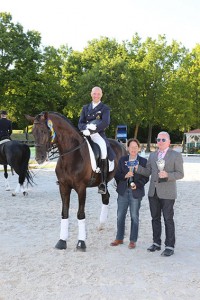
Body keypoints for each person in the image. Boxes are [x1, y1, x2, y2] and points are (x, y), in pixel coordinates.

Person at [135, 131, 184, 256]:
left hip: (168, 193)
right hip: (153, 192)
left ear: (169, 142)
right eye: (158, 140)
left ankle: (169, 246)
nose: (160, 142)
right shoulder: (152, 155)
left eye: (163, 140)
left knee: (168, 219)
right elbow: (147, 172)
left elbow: (180, 174)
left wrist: (168, 175)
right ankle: (156, 243)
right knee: (155, 219)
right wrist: (137, 168)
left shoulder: (175, 155)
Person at [110, 138, 149, 249]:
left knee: (134, 216)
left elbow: (146, 178)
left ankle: (132, 240)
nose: (133, 149)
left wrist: (138, 184)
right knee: (120, 216)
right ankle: (119, 238)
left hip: (136, 192)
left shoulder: (143, 161)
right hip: (123, 191)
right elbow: (116, 175)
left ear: (138, 148)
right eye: (131, 147)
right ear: (127, 148)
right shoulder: (122, 160)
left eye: (135, 147)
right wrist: (124, 176)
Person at [78, 86, 115, 194]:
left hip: (98, 134)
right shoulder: (85, 108)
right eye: (94, 93)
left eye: (98, 94)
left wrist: (92, 131)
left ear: (101, 95)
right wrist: (85, 129)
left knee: (103, 150)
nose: (96, 96)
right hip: (85, 133)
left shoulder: (105, 108)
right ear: (91, 94)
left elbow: (105, 123)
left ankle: (102, 182)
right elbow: (80, 122)